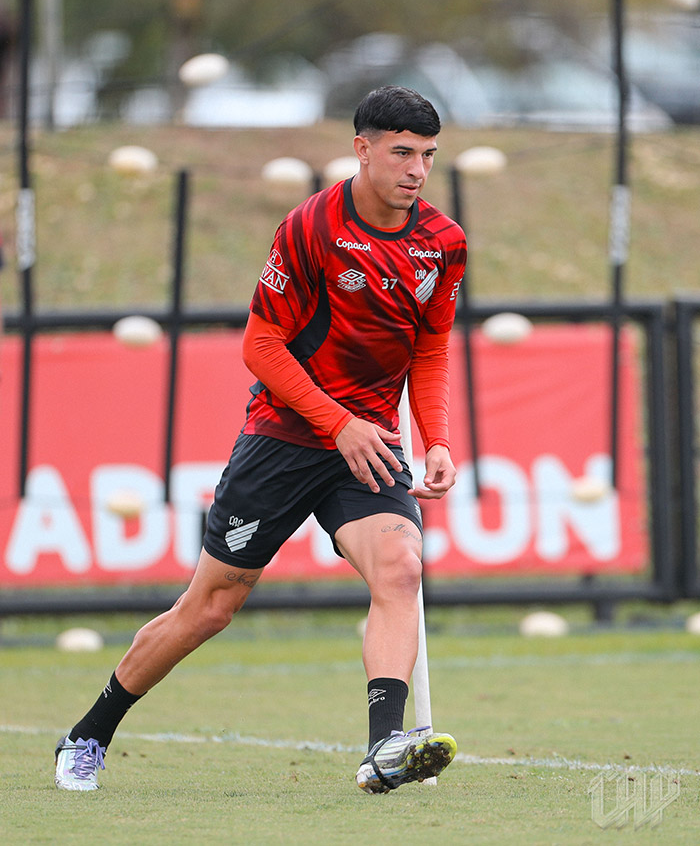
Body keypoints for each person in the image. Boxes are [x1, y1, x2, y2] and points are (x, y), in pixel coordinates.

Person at [55, 86, 467, 795]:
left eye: (428, 155)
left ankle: (384, 749)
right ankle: (89, 732)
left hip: (369, 444)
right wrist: (336, 422)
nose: (417, 170)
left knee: (401, 569)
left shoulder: (443, 242)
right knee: (209, 608)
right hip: (284, 437)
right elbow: (261, 345)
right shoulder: (311, 227)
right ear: (362, 149)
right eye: (402, 152)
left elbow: (429, 350)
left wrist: (436, 439)